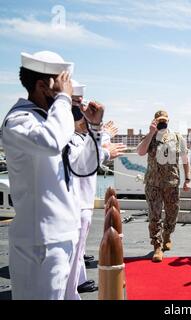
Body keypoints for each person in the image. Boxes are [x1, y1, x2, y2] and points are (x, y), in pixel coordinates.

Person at [0, 51, 100, 299]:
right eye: (62, 83)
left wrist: (95, 128)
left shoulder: (52, 121)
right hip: (40, 241)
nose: (67, 91)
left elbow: (84, 165)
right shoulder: (19, 120)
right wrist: (64, 100)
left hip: (63, 233)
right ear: (42, 86)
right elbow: (51, 142)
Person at [64, 80, 127, 299]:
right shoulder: (69, 138)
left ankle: (76, 283)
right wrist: (105, 142)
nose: (83, 114)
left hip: (82, 201)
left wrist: (103, 135)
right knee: (72, 254)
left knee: (77, 251)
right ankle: (73, 289)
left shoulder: (80, 136)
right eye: (78, 108)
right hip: (76, 203)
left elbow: (92, 152)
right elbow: (88, 160)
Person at [137, 110, 191, 262]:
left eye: (164, 120)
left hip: (171, 183)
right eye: (159, 120)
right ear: (154, 121)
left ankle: (167, 234)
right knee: (154, 215)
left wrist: (188, 178)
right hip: (153, 184)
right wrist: (150, 133)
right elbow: (141, 152)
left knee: (172, 212)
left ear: (168, 121)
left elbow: (185, 160)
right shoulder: (149, 137)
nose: (162, 122)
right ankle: (157, 246)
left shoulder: (177, 138)